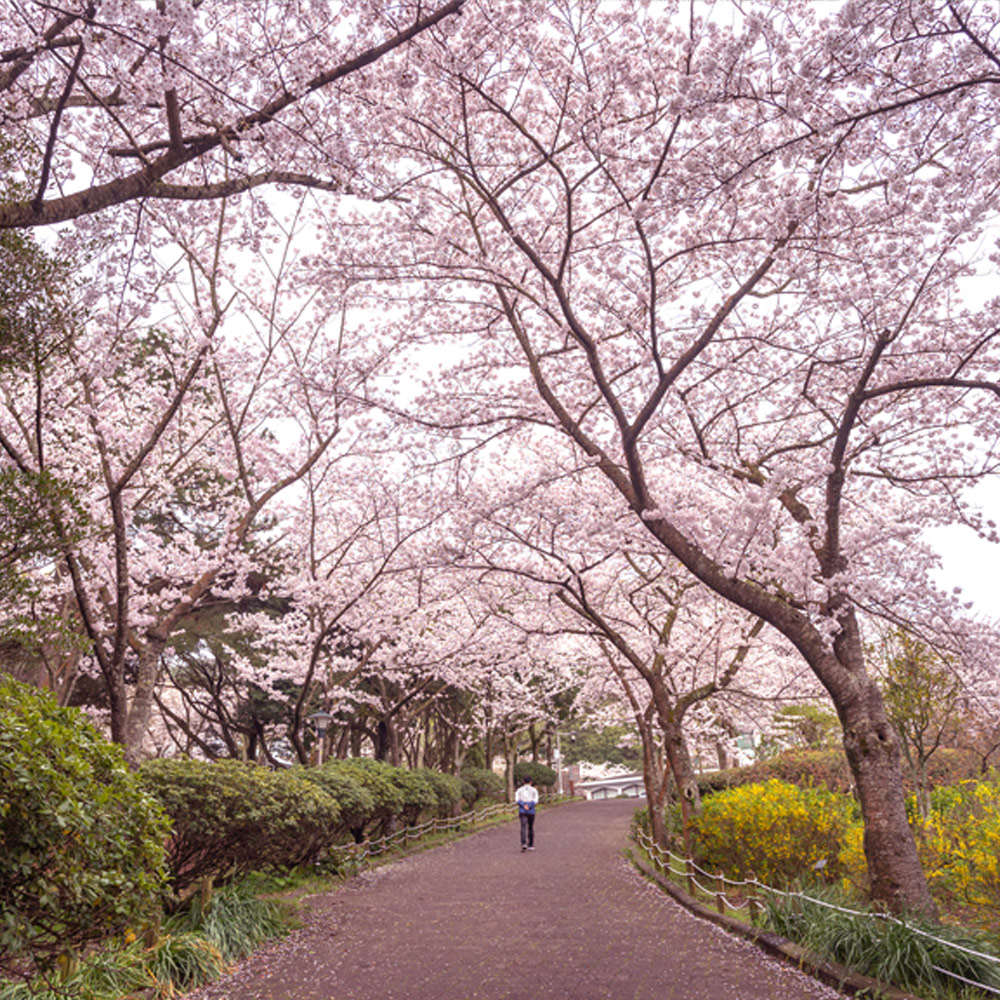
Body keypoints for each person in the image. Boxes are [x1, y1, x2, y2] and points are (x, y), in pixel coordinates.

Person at [515, 776, 539, 851]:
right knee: (530, 827)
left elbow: (517, 800)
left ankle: (523, 843)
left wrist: (523, 805)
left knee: (523, 826)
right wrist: (529, 806)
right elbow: (535, 800)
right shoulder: (534, 790)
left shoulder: (519, 790)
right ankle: (531, 844)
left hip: (522, 810)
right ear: (530, 782)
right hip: (531, 810)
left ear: (523, 782)